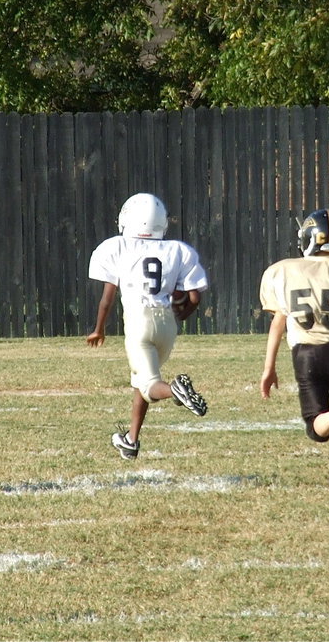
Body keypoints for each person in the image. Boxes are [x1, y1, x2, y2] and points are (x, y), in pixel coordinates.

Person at [87, 193, 210, 460]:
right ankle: (131, 440)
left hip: (139, 320)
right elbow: (194, 297)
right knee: (141, 380)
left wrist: (99, 328)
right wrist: (182, 314)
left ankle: (175, 390)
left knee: (150, 384)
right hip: (166, 323)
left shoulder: (117, 247)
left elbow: (107, 298)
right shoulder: (178, 250)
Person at [258, 209, 329, 492]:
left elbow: (278, 323)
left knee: (316, 427)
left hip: (306, 354)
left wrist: (269, 368)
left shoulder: (283, 270)